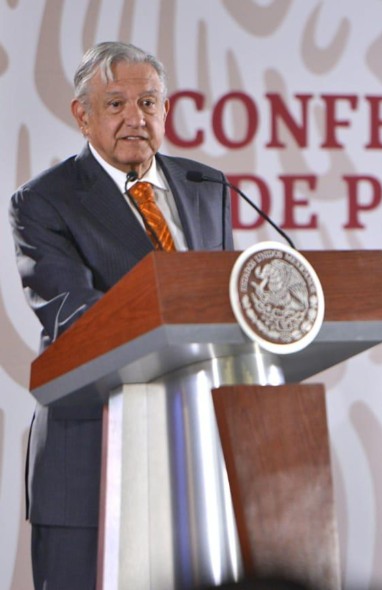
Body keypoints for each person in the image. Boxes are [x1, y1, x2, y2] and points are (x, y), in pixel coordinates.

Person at [9, 41, 233, 589]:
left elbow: (227, 301)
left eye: (149, 103)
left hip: (194, 455)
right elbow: (74, 317)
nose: (136, 118)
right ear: (82, 116)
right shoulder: (44, 201)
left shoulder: (208, 188)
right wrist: (183, 328)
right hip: (92, 455)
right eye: (116, 104)